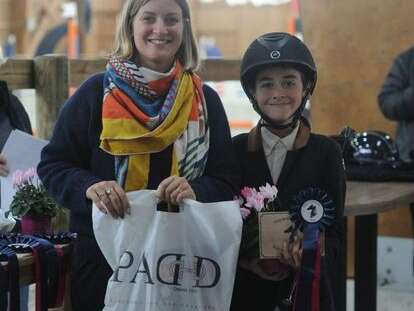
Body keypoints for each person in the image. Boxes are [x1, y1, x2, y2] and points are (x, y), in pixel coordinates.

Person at [37, 0, 238, 310]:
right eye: (149, 18)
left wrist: (196, 190)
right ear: (130, 25)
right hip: (105, 263)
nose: (160, 29)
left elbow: (227, 180)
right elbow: (53, 164)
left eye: (171, 19)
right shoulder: (95, 95)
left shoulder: (205, 101)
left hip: (182, 267)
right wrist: (89, 187)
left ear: (184, 27)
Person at [230, 32, 345, 311]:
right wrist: (247, 260)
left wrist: (310, 255)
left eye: (289, 82)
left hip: (307, 293)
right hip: (246, 293)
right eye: (266, 84)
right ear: (252, 93)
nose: (278, 93)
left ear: (306, 88)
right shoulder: (235, 150)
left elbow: (336, 236)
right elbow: (221, 227)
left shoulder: (326, 152)